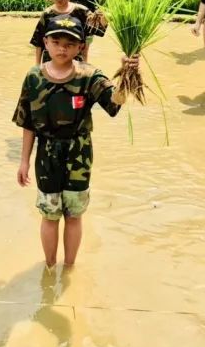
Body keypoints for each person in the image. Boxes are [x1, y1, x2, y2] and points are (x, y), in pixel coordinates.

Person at [14, 14, 136, 268]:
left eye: (70, 43)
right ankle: (49, 267)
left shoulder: (89, 76)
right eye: (56, 41)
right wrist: (24, 161)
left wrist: (128, 73)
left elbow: (115, 102)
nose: (62, 48)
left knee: (74, 214)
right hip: (46, 153)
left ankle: (69, 267)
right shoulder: (34, 77)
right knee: (49, 213)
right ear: (45, 42)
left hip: (79, 151)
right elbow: (27, 124)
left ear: (81, 46)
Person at [30, 0, 90, 64]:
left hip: (75, 62)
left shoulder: (82, 12)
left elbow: (92, 34)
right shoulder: (47, 14)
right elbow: (39, 43)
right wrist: (37, 66)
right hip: (50, 62)